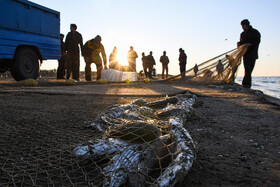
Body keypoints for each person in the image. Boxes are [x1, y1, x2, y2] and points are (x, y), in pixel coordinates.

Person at [237, 19, 261, 88]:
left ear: (246, 25)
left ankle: (246, 84)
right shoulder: (242, 34)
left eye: (243, 26)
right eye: (242, 26)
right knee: (247, 69)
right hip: (245, 54)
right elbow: (241, 42)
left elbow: (257, 41)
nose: (242, 27)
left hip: (253, 54)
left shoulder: (255, 32)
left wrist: (250, 44)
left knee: (250, 70)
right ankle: (246, 85)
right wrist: (238, 43)